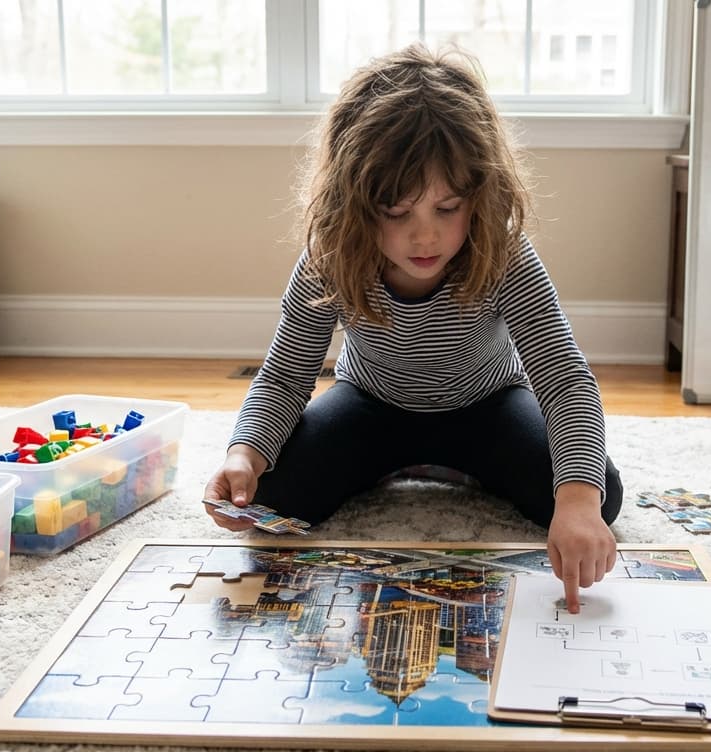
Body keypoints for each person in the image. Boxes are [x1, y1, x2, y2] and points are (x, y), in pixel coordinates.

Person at [202, 43, 624, 613]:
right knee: (272, 500)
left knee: (602, 494)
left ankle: (456, 464)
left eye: (447, 209)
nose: (424, 237)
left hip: (487, 405)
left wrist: (577, 500)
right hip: (371, 404)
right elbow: (285, 374)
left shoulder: (503, 253)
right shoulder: (331, 256)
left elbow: (565, 380)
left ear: (481, 192)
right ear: (351, 204)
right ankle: (406, 461)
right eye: (397, 214)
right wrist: (243, 454)